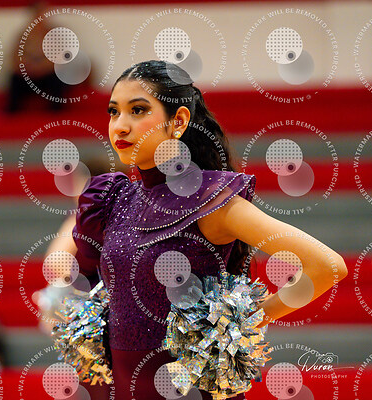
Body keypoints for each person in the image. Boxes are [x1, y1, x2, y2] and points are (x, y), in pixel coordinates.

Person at [60, 60, 348, 399]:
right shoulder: (112, 199)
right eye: (114, 112)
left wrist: (246, 321)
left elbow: (326, 265)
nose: (120, 126)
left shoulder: (211, 200)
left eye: (138, 110)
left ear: (178, 121)